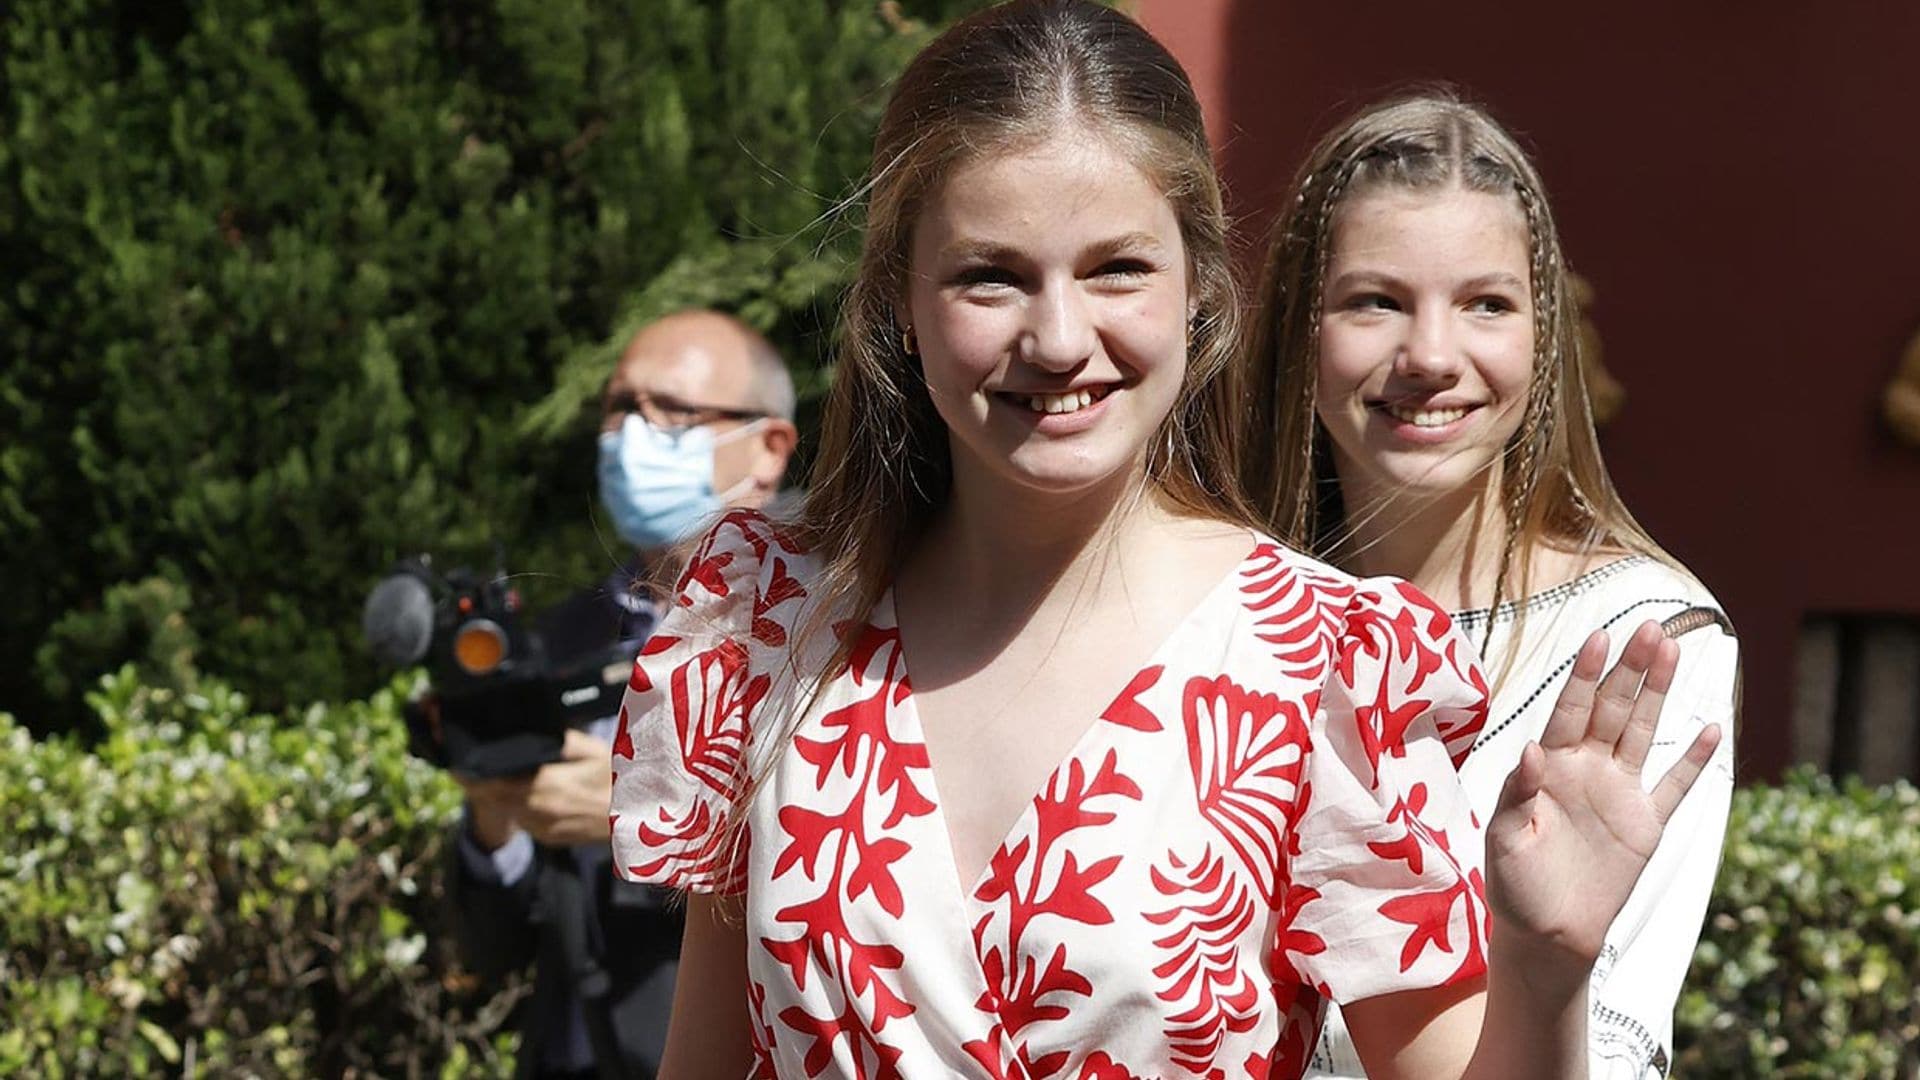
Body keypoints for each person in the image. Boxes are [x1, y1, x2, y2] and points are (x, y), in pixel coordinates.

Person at [609, 5, 1720, 1078]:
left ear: (1199, 284)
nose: (1057, 337)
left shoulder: (1321, 668)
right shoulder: (767, 619)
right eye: (990, 275)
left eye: (1116, 270)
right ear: (900, 297)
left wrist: (1545, 969)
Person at [1232, 92, 1740, 1080]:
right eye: (1373, 300)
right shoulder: (1210, 603)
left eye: (1486, 304)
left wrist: (1546, 967)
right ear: (1301, 324)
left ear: (1543, 339)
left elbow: (1610, 1049)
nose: (1430, 356)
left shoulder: (1643, 642)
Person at [450, 309, 798, 1080]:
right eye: (620, 409)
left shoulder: (821, 636)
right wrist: (494, 815)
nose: (634, 435)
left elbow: (833, 874)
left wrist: (624, 822)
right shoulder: (559, 635)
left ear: (769, 447)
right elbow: (491, 949)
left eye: (671, 412)